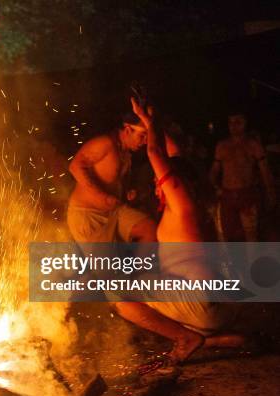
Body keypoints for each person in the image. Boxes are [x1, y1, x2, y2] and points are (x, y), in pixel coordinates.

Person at [113, 98, 243, 374]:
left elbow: (158, 155)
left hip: (204, 303)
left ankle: (187, 337)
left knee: (118, 295)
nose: (155, 184)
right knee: (148, 281)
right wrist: (153, 118)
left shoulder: (181, 205)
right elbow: (175, 154)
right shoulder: (194, 200)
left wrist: (147, 123)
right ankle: (211, 339)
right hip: (224, 305)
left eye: (159, 181)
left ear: (175, 183)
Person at [67, 113, 156, 243]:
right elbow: (75, 166)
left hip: (114, 212)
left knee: (149, 230)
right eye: (142, 136)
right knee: (109, 263)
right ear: (128, 130)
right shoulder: (105, 143)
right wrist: (101, 197)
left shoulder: (125, 153)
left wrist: (126, 193)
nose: (145, 141)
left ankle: (141, 263)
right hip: (89, 216)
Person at [209, 112, 276, 241]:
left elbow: (265, 171)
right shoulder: (222, 146)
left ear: (245, 123)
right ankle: (234, 261)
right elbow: (214, 171)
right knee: (227, 235)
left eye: (238, 122)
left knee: (251, 236)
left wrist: (270, 192)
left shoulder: (253, 145)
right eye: (231, 122)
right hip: (227, 196)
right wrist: (215, 188)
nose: (233, 126)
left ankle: (252, 261)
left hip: (247, 195)